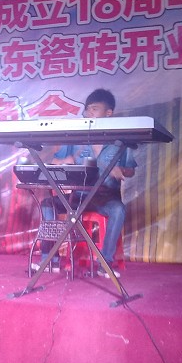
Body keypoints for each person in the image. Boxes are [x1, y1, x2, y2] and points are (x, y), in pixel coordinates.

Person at [39, 89, 136, 278]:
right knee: (47, 204)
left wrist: (121, 170)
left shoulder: (121, 139)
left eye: (94, 109)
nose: (88, 113)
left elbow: (131, 170)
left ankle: (105, 263)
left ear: (108, 113)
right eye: (87, 109)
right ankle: (50, 259)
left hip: (104, 198)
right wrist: (65, 161)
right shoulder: (77, 136)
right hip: (78, 197)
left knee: (118, 210)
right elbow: (55, 161)